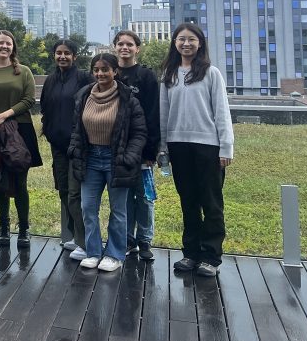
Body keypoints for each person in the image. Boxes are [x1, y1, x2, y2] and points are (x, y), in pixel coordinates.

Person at [159, 22, 234, 278]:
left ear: (200, 43)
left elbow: (222, 112)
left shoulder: (211, 73)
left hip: (208, 147)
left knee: (211, 203)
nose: (186, 43)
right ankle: (191, 253)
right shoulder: (168, 74)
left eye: (191, 39)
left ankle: (211, 256)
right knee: (188, 201)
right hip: (178, 146)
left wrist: (226, 147)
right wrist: (163, 147)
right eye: (181, 39)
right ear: (175, 43)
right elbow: (163, 114)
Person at [68, 53, 147, 273]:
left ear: (115, 72)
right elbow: (76, 128)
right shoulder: (84, 96)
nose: (100, 73)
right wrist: (74, 149)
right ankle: (93, 252)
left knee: (118, 210)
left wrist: (128, 156)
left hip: (116, 159)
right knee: (88, 208)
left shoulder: (128, 98)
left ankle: (114, 254)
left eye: (105, 69)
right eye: (96, 69)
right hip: (90, 158)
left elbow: (139, 132)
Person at [0, 29, 40, 247]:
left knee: (20, 181)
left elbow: (29, 100)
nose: (4, 47)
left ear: (13, 47)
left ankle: (24, 227)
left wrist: (4, 114)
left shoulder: (23, 71)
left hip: (20, 131)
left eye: (8, 44)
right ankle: (3, 226)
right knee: (0, 181)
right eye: (0, 43)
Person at [39, 39, 93, 261]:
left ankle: (85, 241)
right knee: (62, 188)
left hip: (78, 143)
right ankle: (74, 234)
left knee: (75, 193)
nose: (62, 57)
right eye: (59, 53)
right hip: (57, 145)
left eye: (67, 53)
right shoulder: (51, 80)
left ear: (75, 56)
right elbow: (45, 107)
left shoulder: (83, 78)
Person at [114, 30, 161, 261]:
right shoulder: (109, 74)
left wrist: (151, 150)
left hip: (141, 147)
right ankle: (127, 240)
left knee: (143, 197)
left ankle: (144, 240)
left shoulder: (147, 76)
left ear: (137, 48)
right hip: (115, 148)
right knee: (123, 195)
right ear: (114, 47)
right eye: (121, 44)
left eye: (129, 44)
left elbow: (154, 114)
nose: (125, 48)